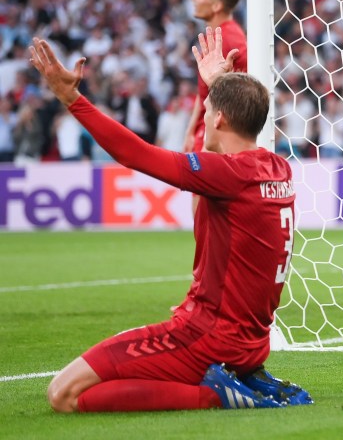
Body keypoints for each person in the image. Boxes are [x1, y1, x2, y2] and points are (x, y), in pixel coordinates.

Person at [34, 27, 311, 412]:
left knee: (63, 395)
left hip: (204, 338)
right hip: (249, 342)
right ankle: (235, 378)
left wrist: (71, 97)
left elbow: (134, 153)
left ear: (219, 118)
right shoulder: (276, 167)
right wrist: (219, 84)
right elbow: (237, 126)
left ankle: (217, 395)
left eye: (208, 113)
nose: (202, 123)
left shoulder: (226, 174)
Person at [183, 0, 248, 154]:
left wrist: (208, 147)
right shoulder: (219, 36)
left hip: (213, 139)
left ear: (216, 6)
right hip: (203, 133)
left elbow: (231, 100)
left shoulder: (228, 41)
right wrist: (190, 131)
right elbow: (204, 91)